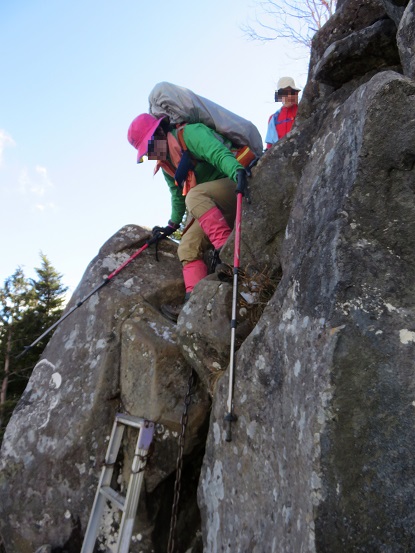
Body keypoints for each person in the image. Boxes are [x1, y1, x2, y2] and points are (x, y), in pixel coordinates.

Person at [127, 114, 247, 320]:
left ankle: (228, 255)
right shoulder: (167, 165)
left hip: (234, 182)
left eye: (151, 146)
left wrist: (237, 172)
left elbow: (218, 153)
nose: (152, 154)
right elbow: (177, 196)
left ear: (161, 131)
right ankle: (194, 305)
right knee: (186, 246)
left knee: (195, 195)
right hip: (211, 204)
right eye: (147, 153)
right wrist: (171, 225)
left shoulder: (190, 134)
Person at [265, 76, 301, 149]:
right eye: (285, 93)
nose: (289, 96)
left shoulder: (302, 110)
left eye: (292, 92)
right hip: (281, 157)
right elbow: (269, 146)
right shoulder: (273, 118)